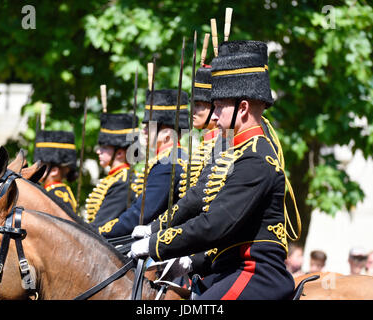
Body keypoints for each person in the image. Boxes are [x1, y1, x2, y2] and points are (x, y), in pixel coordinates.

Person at [129, 40, 302, 300]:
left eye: (220, 106)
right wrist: (191, 259)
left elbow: (215, 224)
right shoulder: (238, 152)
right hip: (227, 270)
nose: (214, 115)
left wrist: (156, 244)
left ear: (243, 108)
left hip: (255, 274)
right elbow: (214, 217)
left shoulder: (256, 158)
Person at [97, 89, 189, 238]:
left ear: (166, 133)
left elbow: (141, 214)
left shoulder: (168, 164)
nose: (143, 131)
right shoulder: (170, 158)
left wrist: (100, 232)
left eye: (149, 127)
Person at [85, 112, 138, 231]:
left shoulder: (124, 182)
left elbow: (101, 224)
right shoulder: (114, 178)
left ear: (119, 153)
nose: (99, 151)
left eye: (104, 148)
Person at [33, 129, 78, 215]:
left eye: (40, 165)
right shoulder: (51, 191)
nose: (35, 168)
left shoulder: (56, 195)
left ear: (54, 171)